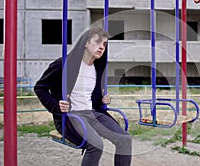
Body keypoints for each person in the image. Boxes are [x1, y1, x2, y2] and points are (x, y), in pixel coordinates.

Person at [34, 27, 132, 166]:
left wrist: (104, 98)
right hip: (71, 117)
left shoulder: (98, 67)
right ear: (86, 43)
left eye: (104, 44)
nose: (101, 47)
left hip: (93, 113)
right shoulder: (63, 64)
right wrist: (56, 105)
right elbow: (40, 88)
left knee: (125, 139)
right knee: (96, 145)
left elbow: (91, 95)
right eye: (97, 42)